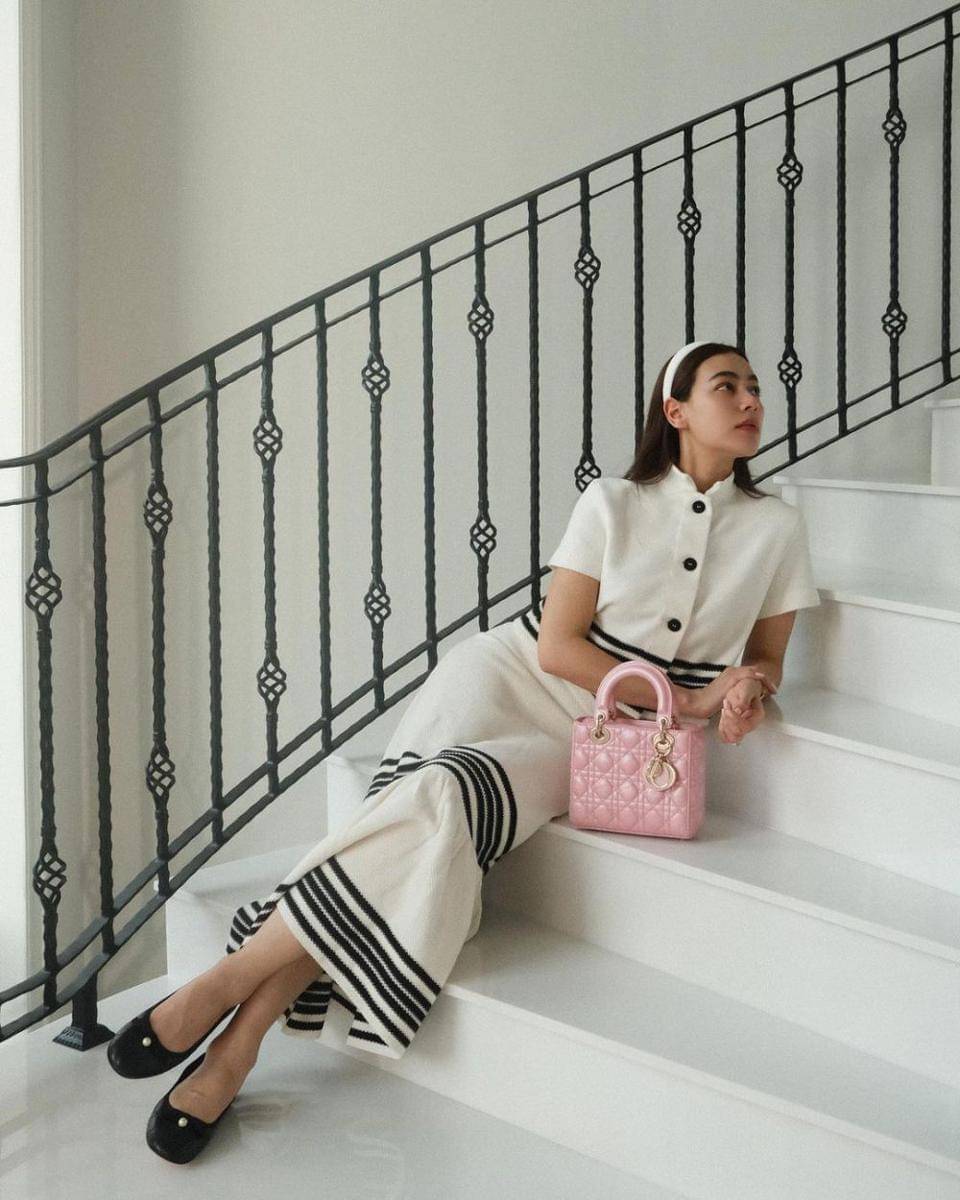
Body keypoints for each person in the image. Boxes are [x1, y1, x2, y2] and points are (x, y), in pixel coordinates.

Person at [107, 339, 819, 1161]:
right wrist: (689, 698)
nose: (751, 400)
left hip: (604, 733)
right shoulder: (612, 501)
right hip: (508, 678)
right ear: (676, 410)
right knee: (404, 823)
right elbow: (556, 646)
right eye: (727, 386)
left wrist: (746, 689)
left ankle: (223, 993)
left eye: (755, 388)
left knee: (438, 799)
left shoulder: (777, 526)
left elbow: (769, 656)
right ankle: (233, 1046)